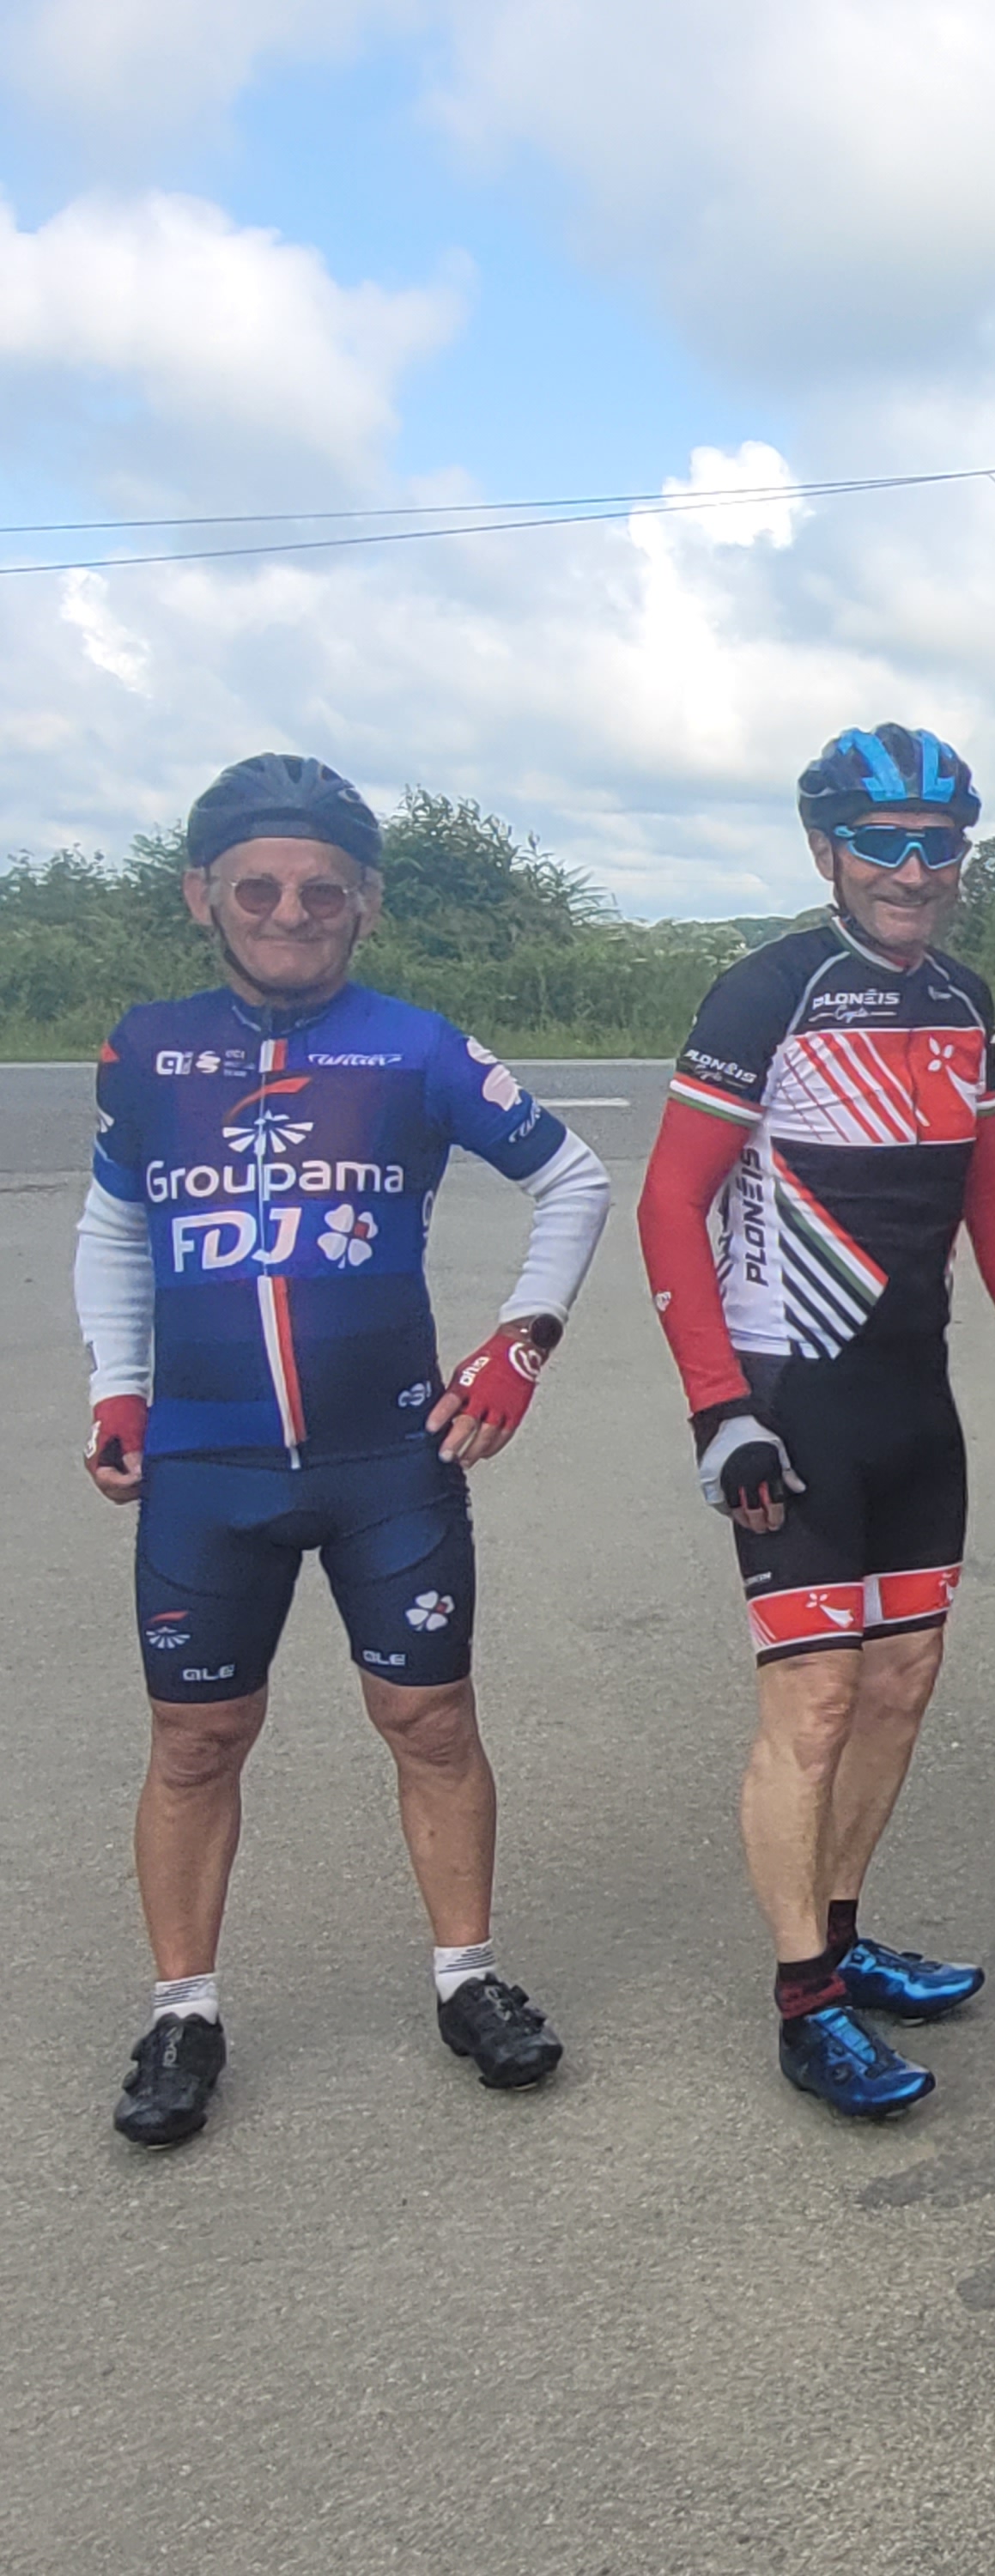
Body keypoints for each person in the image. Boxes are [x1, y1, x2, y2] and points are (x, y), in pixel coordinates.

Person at [77, 752, 612, 2149]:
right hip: (207, 1466)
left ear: (366, 902)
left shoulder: (415, 1046)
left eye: (322, 890)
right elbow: (115, 1221)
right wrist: (118, 1388)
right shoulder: (148, 1049)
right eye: (257, 887)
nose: (289, 912)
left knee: (429, 1722)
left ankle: (468, 1978)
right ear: (202, 895)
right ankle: (183, 2011)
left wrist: (522, 1344)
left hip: (388, 1462)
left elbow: (572, 1177)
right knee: (196, 1741)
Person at [636, 724, 995, 2121]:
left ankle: (839, 1935)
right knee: (815, 1700)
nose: (913, 870)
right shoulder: (768, 990)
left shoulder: (961, 995)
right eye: (882, 843)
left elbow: (991, 1187)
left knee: (898, 1682)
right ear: (826, 850)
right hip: (792, 1395)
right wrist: (718, 1407)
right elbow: (671, 1202)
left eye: (938, 845)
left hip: (909, 1394)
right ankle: (802, 2003)